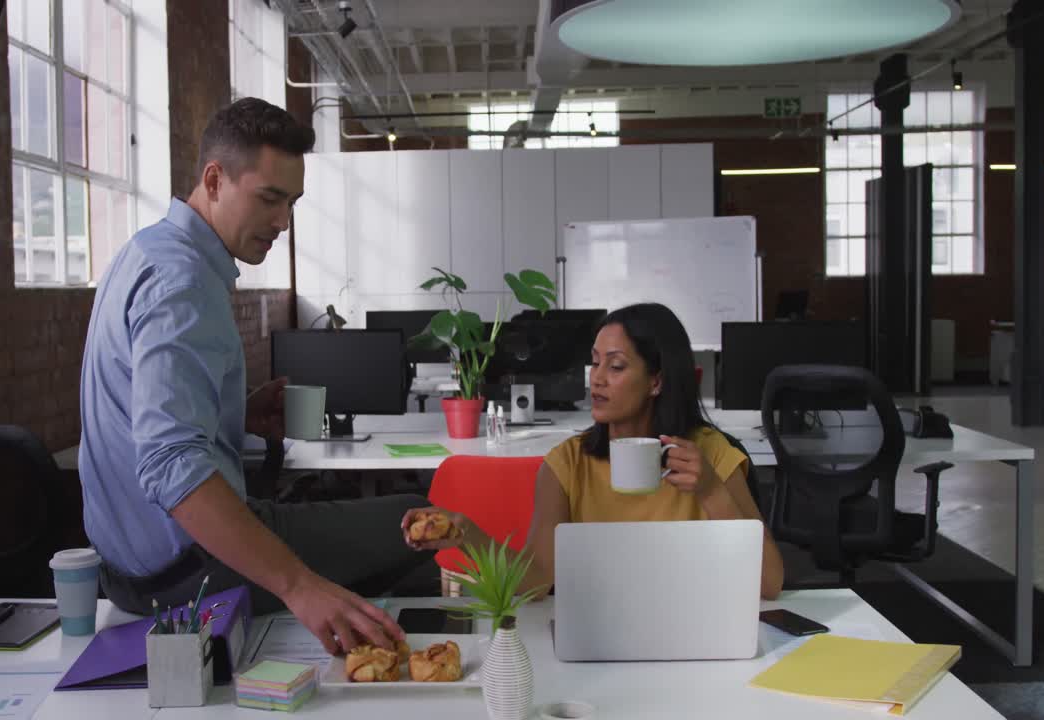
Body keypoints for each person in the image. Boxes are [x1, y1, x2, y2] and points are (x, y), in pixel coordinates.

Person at [80, 97, 426, 654]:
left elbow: (145, 413)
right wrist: (300, 586)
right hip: (187, 574)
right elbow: (169, 463)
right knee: (424, 526)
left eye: (291, 203)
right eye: (269, 199)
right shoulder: (183, 280)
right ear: (214, 180)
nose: (282, 222)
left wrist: (232, 411)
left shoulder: (144, 251)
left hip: (125, 571)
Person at [403, 302, 785, 600]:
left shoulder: (710, 454)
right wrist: (466, 533)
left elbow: (769, 583)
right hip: (599, 636)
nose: (597, 378)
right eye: (595, 362)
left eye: (616, 366)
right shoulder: (567, 463)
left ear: (656, 381)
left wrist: (711, 491)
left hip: (695, 633)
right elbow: (535, 582)